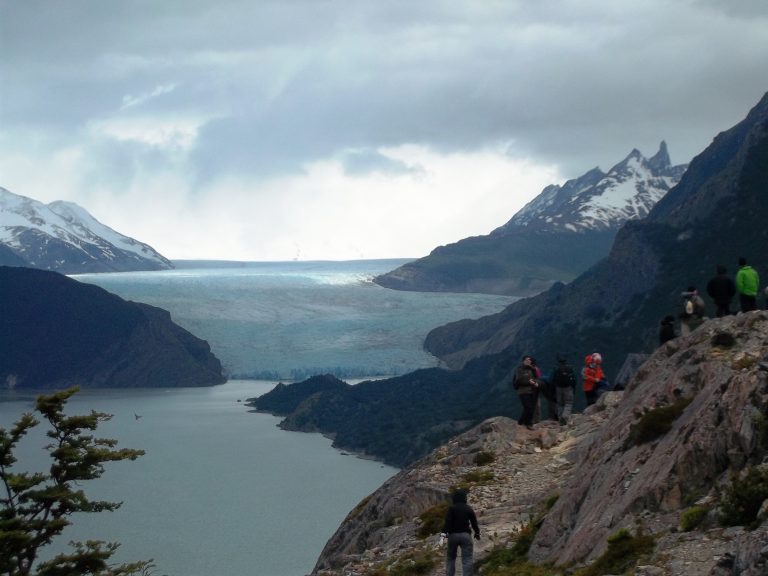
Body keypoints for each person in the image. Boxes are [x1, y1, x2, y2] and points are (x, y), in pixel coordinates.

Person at [442, 489, 480, 576]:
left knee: (451, 558)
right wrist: (477, 533)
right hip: (465, 535)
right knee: (467, 559)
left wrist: (442, 536)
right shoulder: (468, 508)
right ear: (464, 498)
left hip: (453, 536)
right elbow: (474, 523)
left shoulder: (451, 509)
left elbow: (447, 523)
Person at [512, 355, 539, 429]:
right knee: (528, 408)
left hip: (531, 391)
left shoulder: (531, 369)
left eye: (530, 360)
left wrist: (534, 370)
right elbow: (519, 380)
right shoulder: (519, 369)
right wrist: (529, 382)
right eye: (527, 360)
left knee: (529, 408)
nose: (529, 361)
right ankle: (528, 424)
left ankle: (520, 423)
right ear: (523, 361)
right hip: (523, 391)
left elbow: (536, 377)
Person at [549, 356, 576, 425]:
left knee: (560, 404)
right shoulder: (570, 368)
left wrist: (552, 390)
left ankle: (560, 418)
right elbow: (575, 379)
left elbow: (551, 379)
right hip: (568, 388)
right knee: (569, 402)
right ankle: (565, 416)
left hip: (558, 388)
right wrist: (573, 388)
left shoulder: (556, 369)